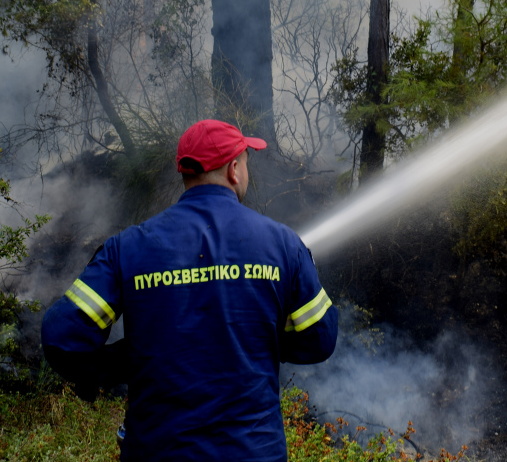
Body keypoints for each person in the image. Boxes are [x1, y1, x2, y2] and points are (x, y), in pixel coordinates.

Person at [41, 119, 338, 462]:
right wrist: (257, 339)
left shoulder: (128, 247)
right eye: (245, 162)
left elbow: (60, 338)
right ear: (233, 170)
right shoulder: (283, 244)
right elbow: (320, 339)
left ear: (186, 172)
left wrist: (124, 361)